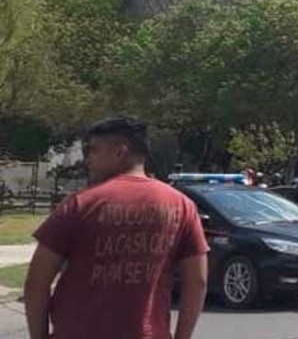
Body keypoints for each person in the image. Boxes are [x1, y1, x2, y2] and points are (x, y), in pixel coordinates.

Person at [24, 117, 209, 339]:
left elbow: (37, 282)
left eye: (94, 150)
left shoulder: (80, 204)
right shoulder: (182, 206)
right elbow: (197, 281)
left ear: (120, 152)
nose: (88, 159)